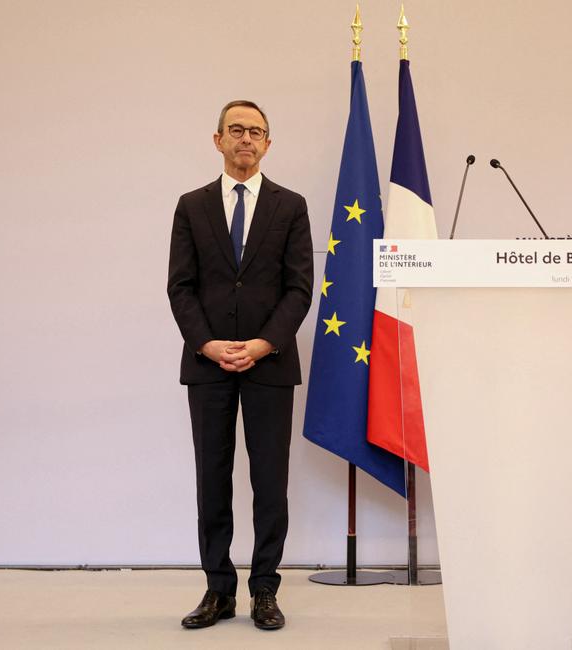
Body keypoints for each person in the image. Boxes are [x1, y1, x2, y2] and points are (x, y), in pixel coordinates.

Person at [167, 100, 313, 631]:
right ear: (218, 140)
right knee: (213, 479)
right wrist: (207, 345)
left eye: (256, 131)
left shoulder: (290, 206)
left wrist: (262, 343)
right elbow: (179, 287)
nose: (245, 139)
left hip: (269, 365)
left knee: (270, 482)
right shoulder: (191, 205)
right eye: (236, 130)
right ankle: (218, 590)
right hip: (207, 367)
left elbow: (299, 289)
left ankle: (266, 590)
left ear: (268, 144)